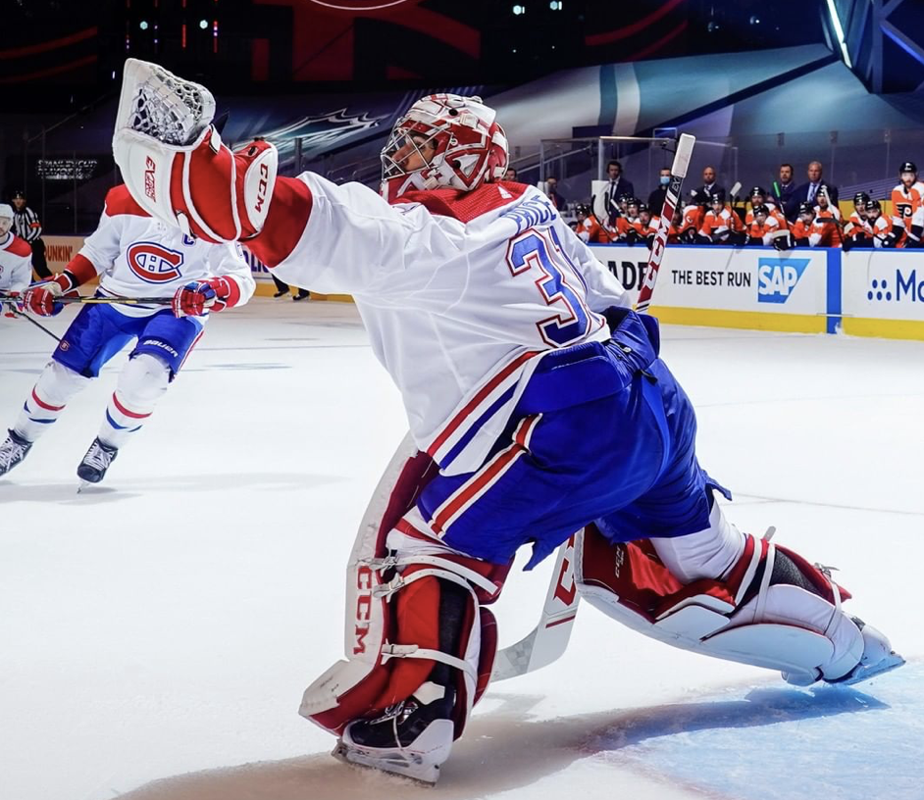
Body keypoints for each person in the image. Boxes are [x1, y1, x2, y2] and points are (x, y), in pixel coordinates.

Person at [112, 65, 902, 784]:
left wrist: (189, 149)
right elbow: (614, 308)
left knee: (427, 542)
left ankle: (413, 723)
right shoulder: (530, 207)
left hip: (569, 430)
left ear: (446, 159)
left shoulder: (428, 240)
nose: (403, 161)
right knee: (704, 553)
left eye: (418, 148)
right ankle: (845, 636)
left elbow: (264, 212)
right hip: (652, 397)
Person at [0, 185, 254, 484]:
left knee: (145, 379)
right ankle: (19, 440)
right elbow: (98, 251)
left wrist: (212, 290)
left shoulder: (213, 207)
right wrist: (60, 284)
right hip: (114, 299)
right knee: (60, 376)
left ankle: (107, 445)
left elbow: (241, 279)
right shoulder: (123, 197)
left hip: (176, 308)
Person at [0, 203, 33, 318]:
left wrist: (16, 294)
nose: (0, 226)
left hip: (4, 290)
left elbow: (21, 280)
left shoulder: (22, 249)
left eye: (4, 223)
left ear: (11, 223)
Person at [10, 189, 52, 280]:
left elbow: (37, 229)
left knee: (40, 268)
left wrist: (27, 241)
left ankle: (54, 285)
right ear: (13, 201)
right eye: (16, 199)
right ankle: (29, 286)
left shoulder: (28, 212)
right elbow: (18, 231)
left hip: (35, 244)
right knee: (24, 268)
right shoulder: (15, 214)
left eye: (20, 199)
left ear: (24, 201)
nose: (18, 201)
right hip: (24, 246)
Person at [889, 161, 924, 248]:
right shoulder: (896, 192)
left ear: (916, 175)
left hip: (920, 234)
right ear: (900, 176)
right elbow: (898, 217)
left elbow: (920, 217)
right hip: (910, 234)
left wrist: (913, 237)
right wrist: (893, 236)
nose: (908, 178)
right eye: (905, 175)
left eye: (911, 175)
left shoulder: (921, 189)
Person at [600, 160, 634, 226]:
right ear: (608, 171)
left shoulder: (627, 185)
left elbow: (629, 199)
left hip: (619, 216)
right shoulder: (603, 184)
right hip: (604, 215)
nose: (613, 172)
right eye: (611, 170)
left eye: (616, 170)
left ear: (619, 171)